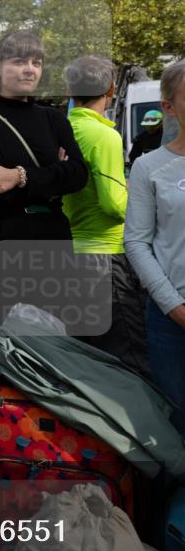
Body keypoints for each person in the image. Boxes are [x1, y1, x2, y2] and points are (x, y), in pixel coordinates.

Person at [0, 29, 88, 474]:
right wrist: (49, 171)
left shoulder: (53, 117)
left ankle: (35, 454)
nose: (29, 69)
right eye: (18, 61)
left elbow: (79, 176)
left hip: (50, 244)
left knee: (48, 353)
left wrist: (23, 176)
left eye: (35, 62)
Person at [63, 55, 150, 376]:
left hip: (67, 256)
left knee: (84, 359)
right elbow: (114, 204)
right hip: (106, 259)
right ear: (111, 89)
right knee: (128, 358)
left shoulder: (63, 129)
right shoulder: (105, 136)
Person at [125, 59, 185, 436]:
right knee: (175, 426)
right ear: (169, 106)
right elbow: (137, 242)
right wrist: (175, 308)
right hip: (170, 321)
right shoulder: (150, 167)